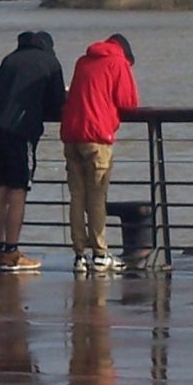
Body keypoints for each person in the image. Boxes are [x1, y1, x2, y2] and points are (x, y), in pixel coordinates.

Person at [0, 30, 66, 272]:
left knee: (0, 190)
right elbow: (57, 104)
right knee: (19, 189)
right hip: (20, 132)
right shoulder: (50, 62)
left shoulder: (8, 60)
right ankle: (12, 252)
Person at [59, 33, 138, 274]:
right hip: (97, 136)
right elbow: (129, 101)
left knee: (77, 195)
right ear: (125, 53)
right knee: (96, 196)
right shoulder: (118, 63)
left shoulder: (83, 61)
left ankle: (79, 256)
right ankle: (101, 254)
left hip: (72, 134)